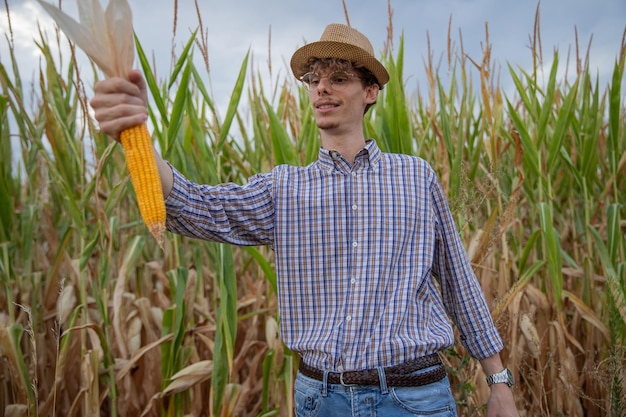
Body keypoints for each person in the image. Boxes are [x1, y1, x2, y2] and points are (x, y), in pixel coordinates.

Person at [91, 23, 519, 417]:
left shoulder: (415, 177)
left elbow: (458, 280)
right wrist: (137, 136)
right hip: (321, 399)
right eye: (314, 81)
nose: (322, 90)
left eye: (338, 79)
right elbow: (196, 205)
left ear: (370, 91)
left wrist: (498, 381)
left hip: (412, 397)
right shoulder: (283, 189)